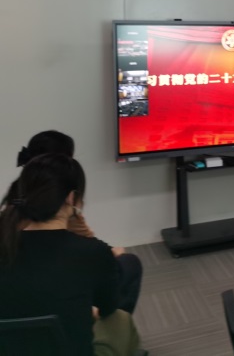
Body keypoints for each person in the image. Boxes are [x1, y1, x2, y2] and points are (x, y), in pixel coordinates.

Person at [0, 154, 141, 356]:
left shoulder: (7, 242)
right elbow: (108, 308)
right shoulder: (92, 252)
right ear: (70, 197)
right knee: (120, 319)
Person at [3, 130, 143, 314]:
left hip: (16, 320)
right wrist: (104, 253)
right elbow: (105, 302)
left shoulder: (14, 207)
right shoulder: (82, 245)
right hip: (63, 302)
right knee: (127, 264)